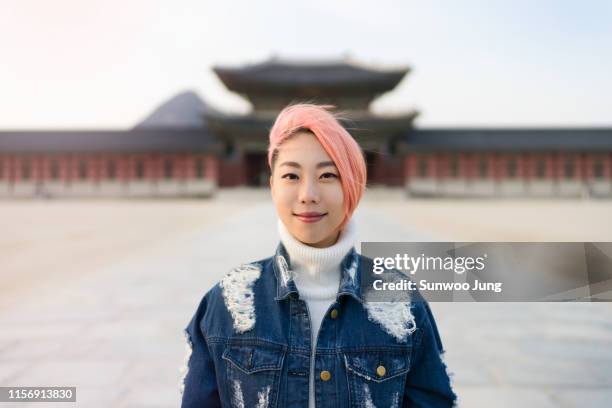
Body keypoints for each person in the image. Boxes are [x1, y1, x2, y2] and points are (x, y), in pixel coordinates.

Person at [180, 103, 457, 407]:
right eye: (291, 176)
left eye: (327, 175)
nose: (308, 194)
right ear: (273, 186)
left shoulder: (401, 303)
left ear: (351, 186)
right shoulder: (228, 302)